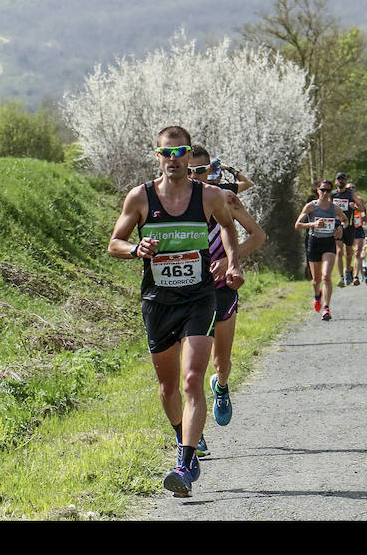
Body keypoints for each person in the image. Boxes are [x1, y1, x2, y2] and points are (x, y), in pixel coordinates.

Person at [108, 126, 243, 498]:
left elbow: (230, 230)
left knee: (191, 380)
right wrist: (136, 250)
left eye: (180, 152)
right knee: (167, 387)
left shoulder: (209, 196)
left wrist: (232, 264)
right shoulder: (140, 197)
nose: (173, 159)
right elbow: (114, 242)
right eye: (166, 153)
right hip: (157, 301)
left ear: (188, 155)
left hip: (199, 298)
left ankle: (183, 464)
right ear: (157, 155)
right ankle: (186, 435)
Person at [188, 145, 265, 450]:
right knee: (190, 369)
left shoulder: (225, 198)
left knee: (221, 361)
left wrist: (230, 261)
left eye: (200, 171)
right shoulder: (171, 202)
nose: (194, 176)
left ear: (210, 171)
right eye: (189, 170)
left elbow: (258, 235)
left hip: (221, 288)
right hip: (187, 292)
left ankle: (221, 386)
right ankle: (195, 436)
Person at [295, 180, 349, 321]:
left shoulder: (334, 208)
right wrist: (313, 224)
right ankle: (317, 295)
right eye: (323, 190)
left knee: (326, 276)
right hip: (314, 243)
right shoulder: (311, 206)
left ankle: (326, 308)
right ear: (317, 190)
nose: (325, 193)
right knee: (316, 280)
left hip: (329, 243)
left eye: (328, 190)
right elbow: (298, 225)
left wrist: (341, 227)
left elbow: (345, 219)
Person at [331, 173, 364, 287]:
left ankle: (348, 270)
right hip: (336, 225)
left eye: (343, 179)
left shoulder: (350, 194)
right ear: (335, 182)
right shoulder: (332, 195)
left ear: (345, 181)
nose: (341, 181)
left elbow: (361, 208)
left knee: (348, 253)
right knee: (339, 251)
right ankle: (341, 277)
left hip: (349, 226)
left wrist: (354, 207)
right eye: (339, 179)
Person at [346, 182, 367, 285]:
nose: (351, 189)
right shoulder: (344, 199)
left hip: (358, 227)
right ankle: (348, 272)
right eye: (349, 188)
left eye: (353, 188)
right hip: (347, 227)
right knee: (348, 253)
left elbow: (363, 210)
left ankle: (356, 276)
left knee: (358, 252)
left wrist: (359, 211)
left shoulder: (360, 199)